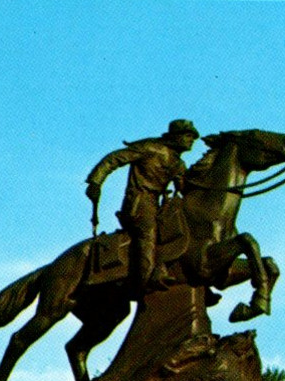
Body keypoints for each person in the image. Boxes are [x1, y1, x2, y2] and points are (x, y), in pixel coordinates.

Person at [85, 118, 199, 292]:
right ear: (176, 136)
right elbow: (114, 159)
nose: (192, 140)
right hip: (138, 203)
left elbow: (185, 188)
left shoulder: (178, 163)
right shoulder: (150, 148)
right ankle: (144, 281)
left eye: (193, 137)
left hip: (157, 205)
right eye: (188, 136)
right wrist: (95, 181)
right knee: (147, 232)